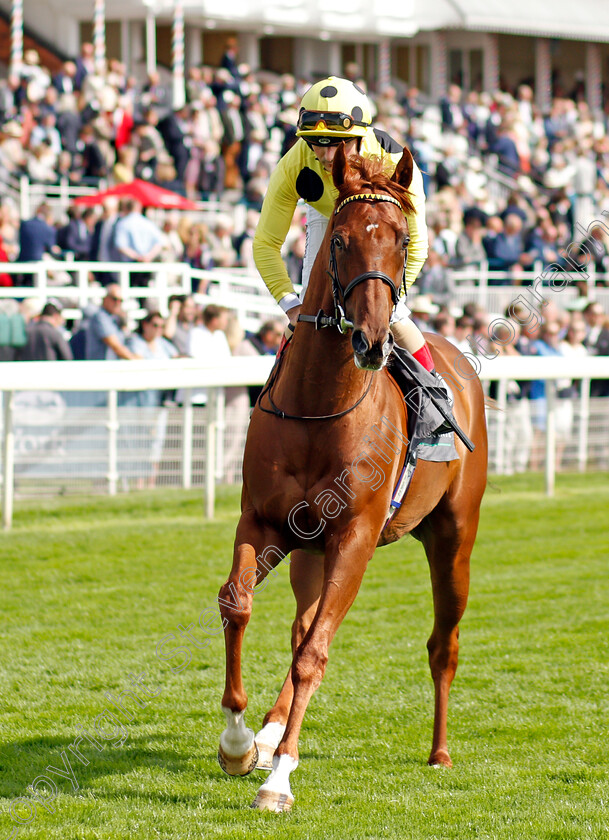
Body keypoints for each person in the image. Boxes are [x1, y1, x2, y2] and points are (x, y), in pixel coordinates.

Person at [252, 76, 454, 433]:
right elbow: (265, 243)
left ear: (360, 136)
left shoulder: (392, 161)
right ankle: (272, 400)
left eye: (337, 144)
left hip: (378, 220)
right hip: (326, 213)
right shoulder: (294, 164)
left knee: (393, 315)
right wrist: (290, 305)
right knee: (307, 316)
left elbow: (418, 245)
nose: (326, 156)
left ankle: (434, 398)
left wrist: (388, 300)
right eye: (316, 144)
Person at [85, 284, 140, 360]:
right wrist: (134, 360)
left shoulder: (115, 318)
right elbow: (115, 346)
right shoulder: (100, 317)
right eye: (114, 299)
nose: (117, 303)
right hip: (101, 369)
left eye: (120, 300)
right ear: (105, 299)